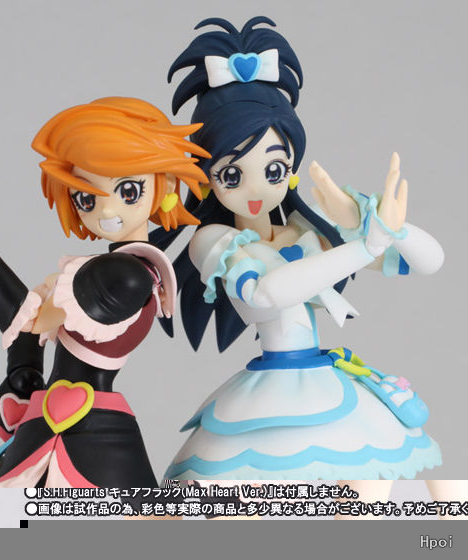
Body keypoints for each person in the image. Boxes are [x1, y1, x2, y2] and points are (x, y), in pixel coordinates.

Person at [152, 17, 444, 482]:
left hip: (327, 380)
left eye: (272, 170)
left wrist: (388, 227)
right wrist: (362, 247)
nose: (255, 190)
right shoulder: (213, 242)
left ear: (290, 168)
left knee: (359, 493)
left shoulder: (309, 230)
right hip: (267, 392)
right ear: (206, 179)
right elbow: (266, 294)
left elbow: (430, 261)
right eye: (231, 174)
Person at [0, 97, 209, 487]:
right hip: (58, 418)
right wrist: (24, 369)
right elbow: (31, 324)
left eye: (128, 190)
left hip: (87, 430)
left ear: (165, 187)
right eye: (87, 198)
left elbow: (31, 319)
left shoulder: (126, 276)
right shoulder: (112, 269)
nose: (106, 210)